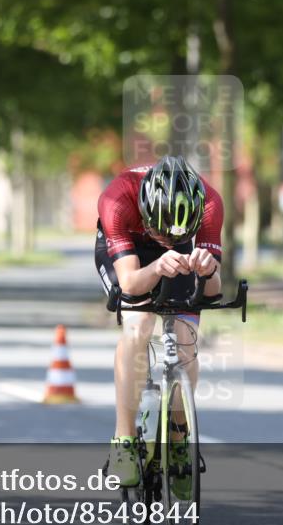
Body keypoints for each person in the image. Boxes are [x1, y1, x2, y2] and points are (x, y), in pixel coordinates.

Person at [94, 155, 223, 494]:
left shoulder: (209, 203)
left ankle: (180, 439)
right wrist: (156, 267)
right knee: (138, 326)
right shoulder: (116, 200)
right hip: (131, 250)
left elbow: (213, 290)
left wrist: (208, 269)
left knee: (186, 338)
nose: (165, 239)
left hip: (180, 249)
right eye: (160, 233)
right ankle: (123, 440)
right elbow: (132, 284)